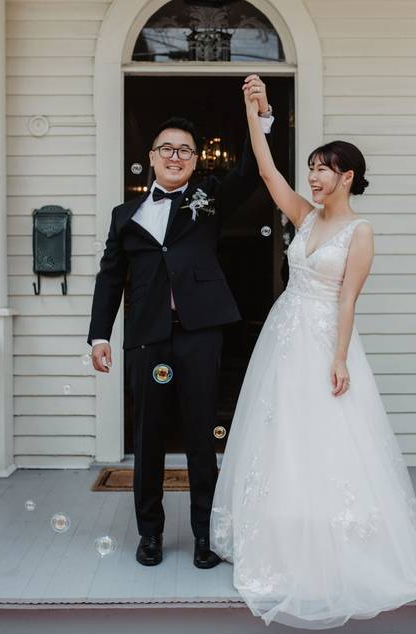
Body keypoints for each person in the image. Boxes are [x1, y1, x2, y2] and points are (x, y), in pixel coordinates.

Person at [210, 76, 416, 629]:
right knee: (281, 437)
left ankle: (333, 544)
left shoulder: (360, 231)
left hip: (326, 339)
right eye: (312, 168)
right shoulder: (304, 216)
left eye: (323, 168)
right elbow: (267, 170)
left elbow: (348, 299)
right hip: (284, 336)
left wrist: (340, 357)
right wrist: (258, 114)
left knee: (327, 441)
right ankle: (280, 535)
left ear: (347, 176)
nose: (313, 176)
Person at [87, 76, 274, 569]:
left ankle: (203, 537)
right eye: (166, 148)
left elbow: (253, 171)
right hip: (147, 337)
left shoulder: (207, 199)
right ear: (151, 156)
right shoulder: (124, 214)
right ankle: (150, 535)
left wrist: (260, 115)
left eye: (185, 151)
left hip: (200, 334)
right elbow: (110, 278)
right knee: (147, 438)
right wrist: (99, 335)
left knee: (199, 436)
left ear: (195, 160)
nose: (176, 156)